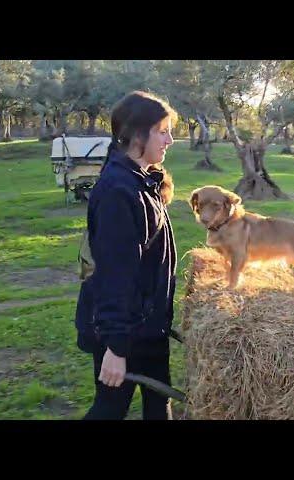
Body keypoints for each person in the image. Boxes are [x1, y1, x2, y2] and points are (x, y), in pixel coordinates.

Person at [74, 91, 177, 420]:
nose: (170, 140)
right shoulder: (119, 192)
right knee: (110, 408)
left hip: (147, 326)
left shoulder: (141, 179)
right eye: (163, 131)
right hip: (126, 331)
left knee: (159, 405)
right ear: (136, 135)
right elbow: (115, 275)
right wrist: (116, 349)